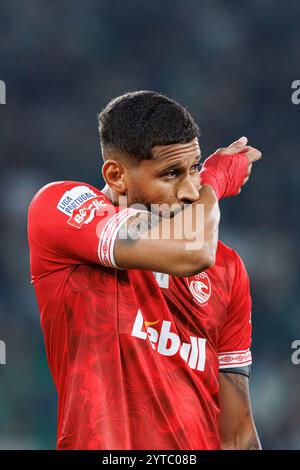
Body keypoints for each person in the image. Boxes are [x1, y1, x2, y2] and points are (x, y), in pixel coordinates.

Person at [27, 91, 262, 450]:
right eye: (170, 174)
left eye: (196, 168)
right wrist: (213, 185)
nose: (188, 191)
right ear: (116, 175)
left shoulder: (227, 268)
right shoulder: (61, 210)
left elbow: (237, 436)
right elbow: (191, 250)